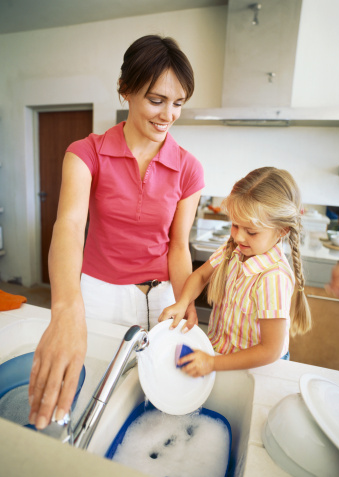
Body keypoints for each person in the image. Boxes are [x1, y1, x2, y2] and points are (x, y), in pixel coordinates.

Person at [28, 35, 204, 430]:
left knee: (154, 397)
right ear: (125, 90)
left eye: (178, 103)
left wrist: (185, 298)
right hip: (99, 291)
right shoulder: (85, 152)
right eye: (156, 100)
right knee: (92, 389)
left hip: (162, 296)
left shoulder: (189, 168)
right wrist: (65, 308)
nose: (168, 115)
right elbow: (70, 225)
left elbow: (178, 246)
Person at [159, 167, 312, 377]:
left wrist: (212, 363)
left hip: (257, 372)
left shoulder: (273, 277)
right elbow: (200, 275)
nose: (239, 237)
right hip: (223, 358)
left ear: (281, 231)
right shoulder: (235, 247)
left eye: (251, 231)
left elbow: (271, 350)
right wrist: (183, 303)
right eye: (234, 225)